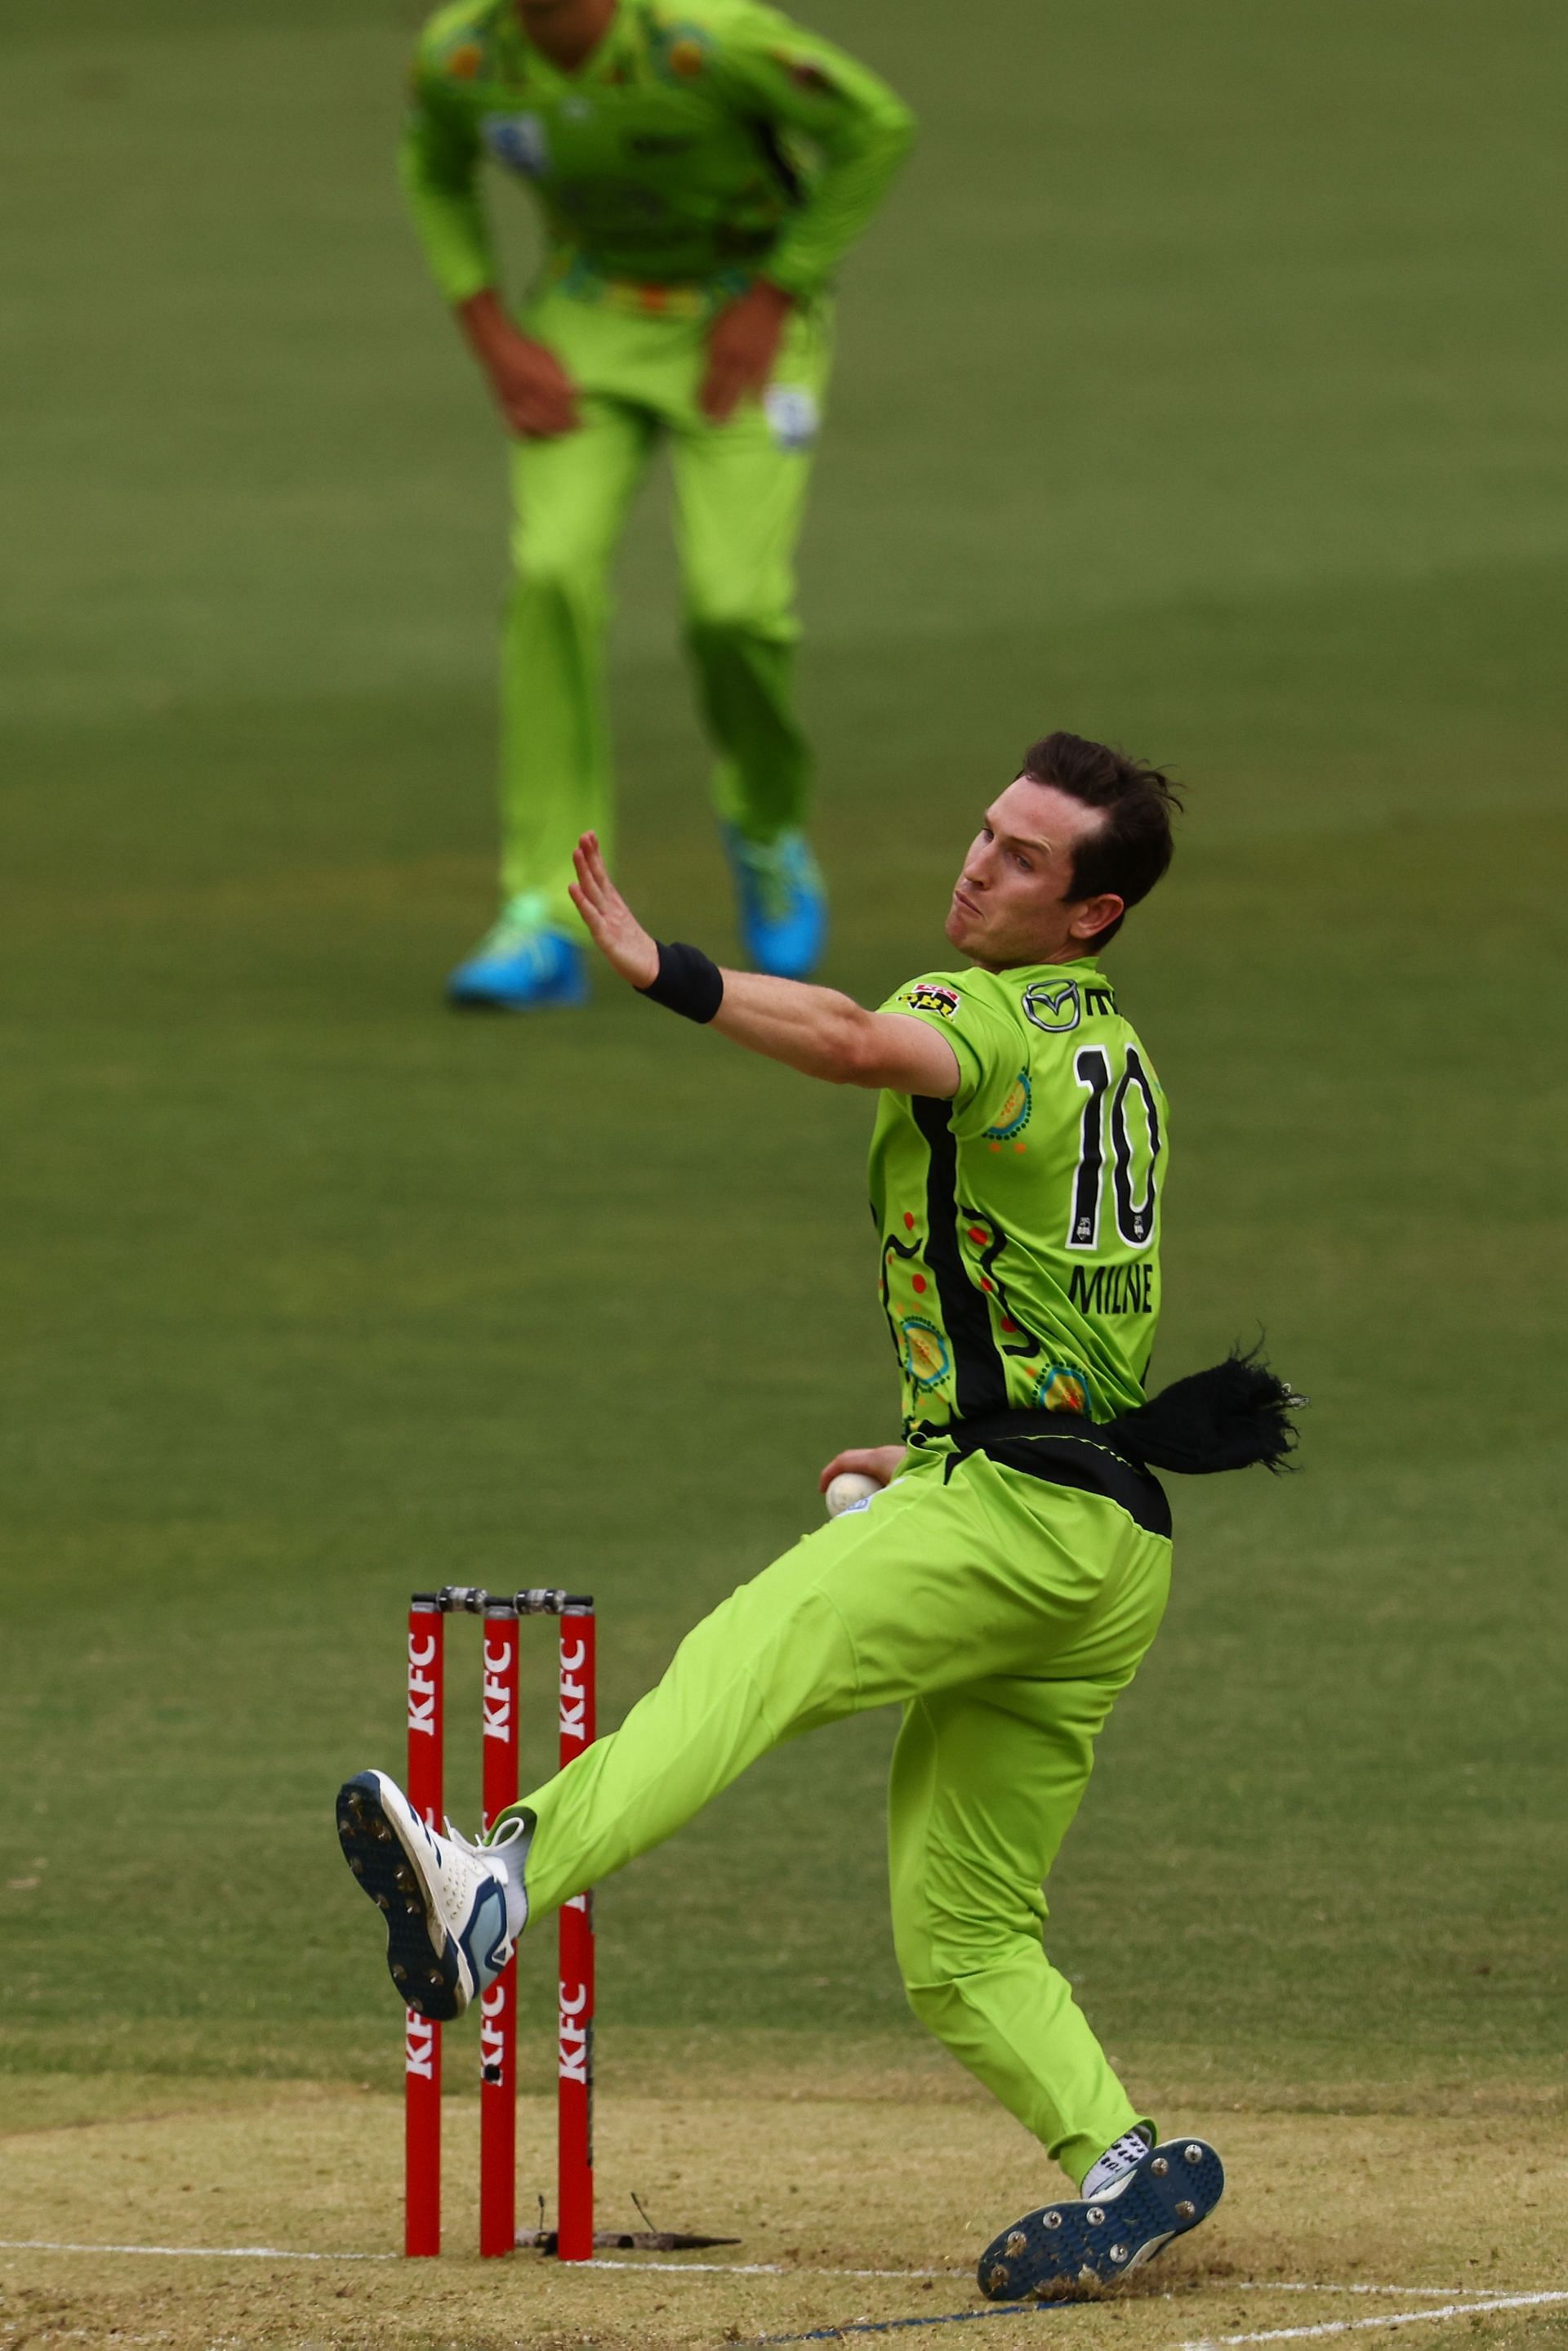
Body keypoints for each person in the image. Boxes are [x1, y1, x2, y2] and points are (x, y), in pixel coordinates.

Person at [336, 731, 1301, 2299]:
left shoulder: (972, 1012)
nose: (980, 862)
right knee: (964, 1930)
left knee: (749, 1653)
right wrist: (935, 1438)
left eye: (1027, 857)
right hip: (1106, 1541)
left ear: (1093, 914)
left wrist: (670, 972)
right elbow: (1060, 1310)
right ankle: (1125, 2159)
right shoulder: (1118, 1057)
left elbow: (857, 1040)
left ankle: (494, 1882)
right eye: (987, 831)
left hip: (1014, 1517)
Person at [401, 0, 915, 1008]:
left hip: (745, 326)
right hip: (587, 321)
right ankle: (544, 918)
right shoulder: (462, 56)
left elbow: (875, 128)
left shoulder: (712, 41)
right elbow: (433, 171)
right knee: (549, 575)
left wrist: (778, 292)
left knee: (735, 608)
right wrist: (491, 331)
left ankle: (766, 824)